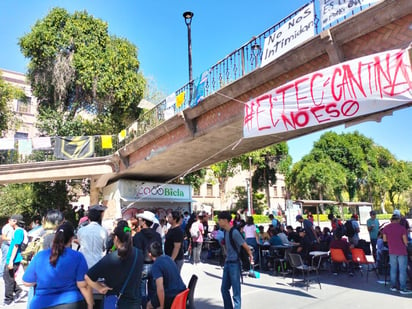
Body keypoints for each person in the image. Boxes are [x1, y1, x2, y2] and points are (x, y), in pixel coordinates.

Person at [22, 222, 93, 309]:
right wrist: (90, 304)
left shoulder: (40, 256)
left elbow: (27, 282)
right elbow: (83, 285)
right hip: (71, 303)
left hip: (41, 303)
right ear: (71, 239)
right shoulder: (77, 256)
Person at [85, 220, 144, 308]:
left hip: (115, 301)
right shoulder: (139, 254)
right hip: (134, 302)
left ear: (116, 238)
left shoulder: (111, 258)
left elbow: (88, 277)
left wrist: (100, 288)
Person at [218, 211, 253, 309]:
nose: (218, 222)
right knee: (224, 289)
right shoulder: (225, 232)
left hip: (234, 264)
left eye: (219, 220)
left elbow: (245, 245)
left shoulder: (234, 232)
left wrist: (250, 256)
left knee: (236, 290)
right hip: (228, 262)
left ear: (225, 221)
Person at [133, 211, 162, 308]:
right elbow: (159, 251)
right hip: (155, 264)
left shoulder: (138, 236)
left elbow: (137, 253)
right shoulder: (157, 235)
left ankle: (144, 306)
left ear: (144, 222)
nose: (139, 221)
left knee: (141, 291)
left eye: (140, 220)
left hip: (142, 265)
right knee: (153, 290)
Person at [146, 241, 186, 309]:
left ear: (150, 254)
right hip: (182, 291)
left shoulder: (156, 265)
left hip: (172, 295)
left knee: (149, 305)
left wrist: (162, 306)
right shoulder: (168, 258)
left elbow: (160, 288)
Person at [382, 213, 412, 294]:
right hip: (402, 252)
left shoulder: (386, 228)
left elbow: (384, 240)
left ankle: (393, 286)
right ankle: (403, 288)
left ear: (392, 219)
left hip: (392, 251)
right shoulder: (402, 228)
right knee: (402, 270)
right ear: (398, 220)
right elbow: (405, 242)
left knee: (393, 269)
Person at [2, 214, 27, 306]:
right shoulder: (16, 231)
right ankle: (19, 291)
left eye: (11, 220)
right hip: (11, 258)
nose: (9, 222)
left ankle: (9, 300)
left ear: (15, 221)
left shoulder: (18, 232)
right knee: (8, 277)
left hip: (14, 258)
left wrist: (11, 260)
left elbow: (16, 246)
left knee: (8, 278)